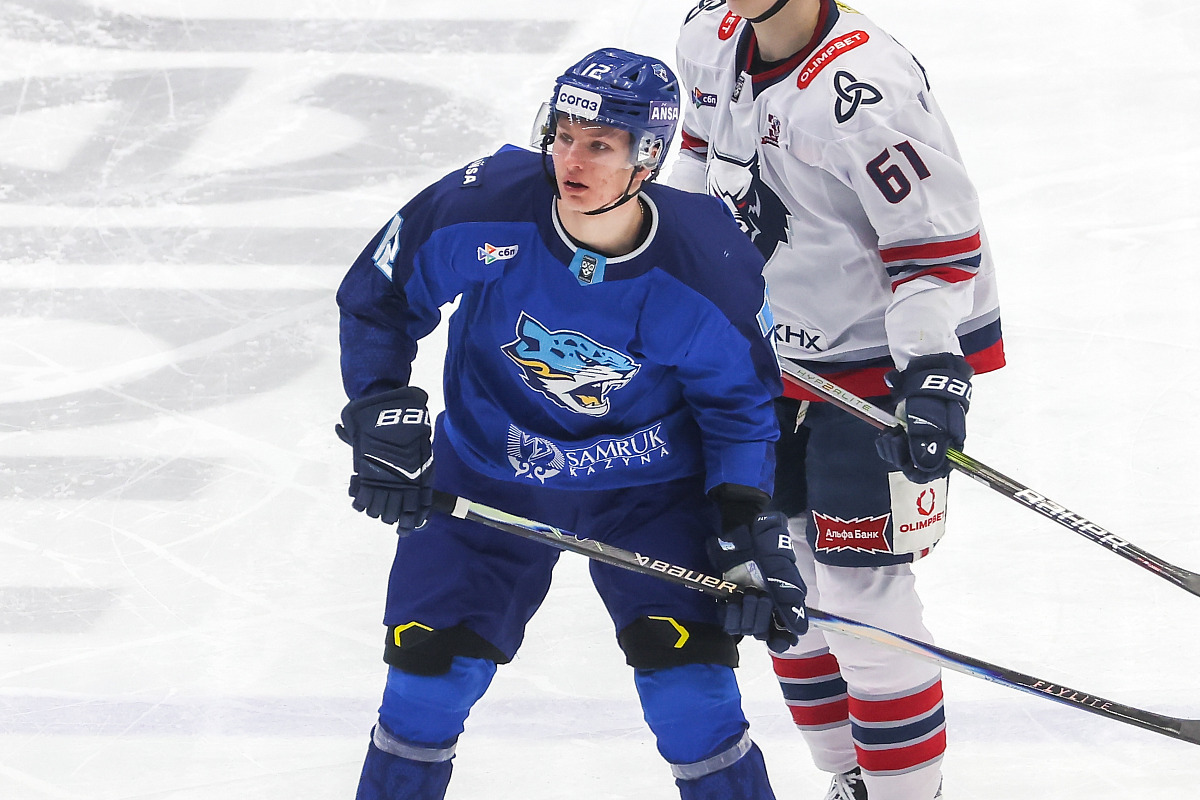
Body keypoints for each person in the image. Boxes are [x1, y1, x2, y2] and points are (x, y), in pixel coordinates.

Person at [335, 46, 810, 800]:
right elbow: (380, 293)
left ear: (647, 157)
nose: (571, 161)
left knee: (693, 701)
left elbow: (741, 406)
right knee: (425, 684)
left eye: (599, 145)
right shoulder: (485, 203)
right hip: (488, 472)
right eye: (562, 136)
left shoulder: (707, 259)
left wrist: (746, 518)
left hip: (650, 495)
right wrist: (378, 409)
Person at [670, 2, 1006, 799]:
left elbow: (936, 254)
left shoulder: (862, 91)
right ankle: (852, 779)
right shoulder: (706, 36)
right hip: (764, 349)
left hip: (878, 357)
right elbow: (696, 163)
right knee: (784, 574)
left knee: (859, 589)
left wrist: (930, 368)